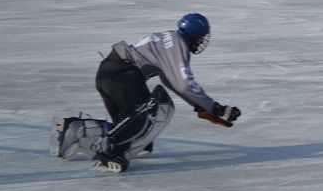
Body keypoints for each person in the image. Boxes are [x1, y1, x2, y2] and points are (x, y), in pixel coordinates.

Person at [49, 13, 242, 173]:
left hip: (110, 72)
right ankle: (108, 153)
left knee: (135, 138)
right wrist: (216, 108)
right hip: (124, 75)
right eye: (201, 37)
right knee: (148, 117)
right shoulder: (178, 45)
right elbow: (183, 83)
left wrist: (200, 106)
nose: (202, 41)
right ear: (194, 34)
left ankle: (72, 129)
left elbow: (171, 80)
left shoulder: (171, 39)